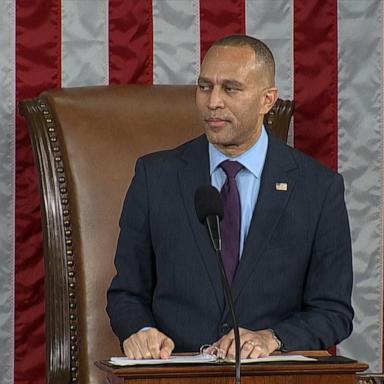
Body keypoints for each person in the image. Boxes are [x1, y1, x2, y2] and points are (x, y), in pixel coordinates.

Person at [106, 35, 353, 360]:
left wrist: (272, 338)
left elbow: (333, 312)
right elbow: (126, 293)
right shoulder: (156, 177)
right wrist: (139, 331)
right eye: (205, 87)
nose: (213, 102)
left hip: (271, 378)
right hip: (175, 374)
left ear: (267, 100)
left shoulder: (318, 189)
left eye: (231, 89)